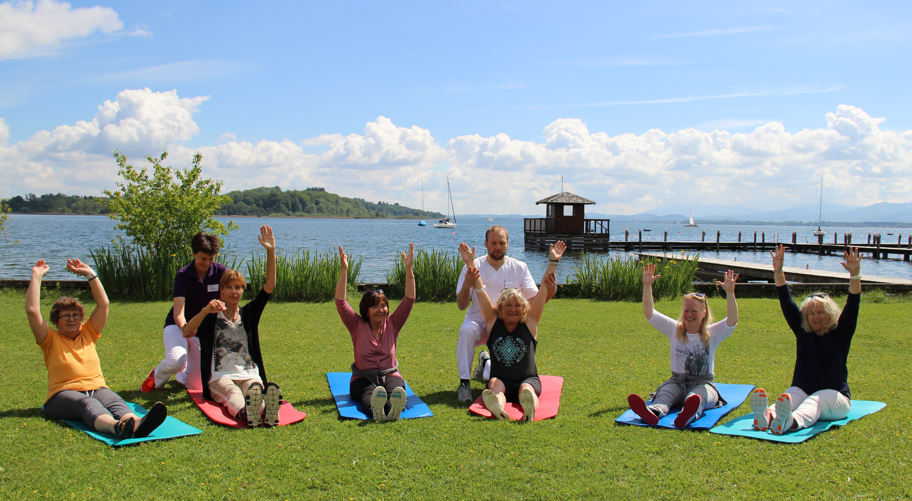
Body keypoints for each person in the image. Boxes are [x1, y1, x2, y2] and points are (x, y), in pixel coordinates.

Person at [26, 258, 167, 439]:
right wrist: (36, 277)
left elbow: (104, 304)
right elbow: (32, 311)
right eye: (66, 316)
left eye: (76, 315)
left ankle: (137, 423)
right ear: (56, 321)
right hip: (62, 395)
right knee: (87, 404)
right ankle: (117, 427)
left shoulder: (88, 333)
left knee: (115, 401)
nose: (71, 319)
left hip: (97, 388)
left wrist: (89, 274)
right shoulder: (49, 339)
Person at [750, 245, 861, 435]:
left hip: (835, 397)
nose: (816, 317)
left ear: (830, 314)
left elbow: (853, 304)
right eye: (811, 313)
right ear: (806, 317)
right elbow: (786, 301)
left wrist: (855, 275)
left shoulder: (841, 333)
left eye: (821, 312)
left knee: (813, 402)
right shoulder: (803, 332)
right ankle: (767, 416)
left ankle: (790, 422)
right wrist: (778, 271)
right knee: (788, 397)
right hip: (802, 389)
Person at [183, 225, 281, 427]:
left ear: (243, 290)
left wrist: (270, 251)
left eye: (238, 287)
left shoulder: (249, 314)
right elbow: (187, 331)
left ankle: (266, 410)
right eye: (228, 287)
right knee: (232, 392)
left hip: (248, 372)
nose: (233, 292)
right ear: (221, 292)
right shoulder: (211, 316)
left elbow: (269, 286)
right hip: (220, 377)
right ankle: (247, 413)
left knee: (254, 387)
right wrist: (204, 311)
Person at [458, 240, 564, 421]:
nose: (513, 309)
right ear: (499, 308)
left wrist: (553, 262)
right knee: (493, 384)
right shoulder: (492, 322)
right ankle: (498, 406)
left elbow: (544, 289)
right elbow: (480, 289)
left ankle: (529, 407)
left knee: (527, 391)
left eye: (517, 306)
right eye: (508, 305)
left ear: (524, 309)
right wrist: (470, 263)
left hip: (528, 380)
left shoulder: (530, 323)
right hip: (502, 381)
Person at [627, 264, 739, 428]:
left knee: (697, 398)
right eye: (686, 311)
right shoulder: (674, 329)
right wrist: (647, 285)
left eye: (694, 311)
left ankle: (689, 413)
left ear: (704, 313)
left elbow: (732, 320)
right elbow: (649, 313)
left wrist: (730, 292)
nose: (689, 315)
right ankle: (652, 412)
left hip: (703, 383)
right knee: (665, 396)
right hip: (677, 381)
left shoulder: (712, 333)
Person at [334, 243, 415, 421]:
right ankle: (375, 411)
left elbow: (409, 299)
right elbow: (340, 302)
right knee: (370, 393)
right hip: (363, 378)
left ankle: (392, 409)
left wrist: (409, 269)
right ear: (366, 310)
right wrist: (344, 270)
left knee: (395, 391)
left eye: (384, 306)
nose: (381, 310)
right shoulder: (356, 325)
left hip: (390, 374)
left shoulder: (393, 323)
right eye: (375, 307)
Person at [142, 231, 226, 392]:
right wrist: (185, 329)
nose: (207, 262)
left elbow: (226, 300)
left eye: (211, 258)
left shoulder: (220, 271)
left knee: (197, 385)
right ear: (193, 254)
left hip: (203, 330)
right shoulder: (183, 275)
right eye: (203, 258)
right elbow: (178, 312)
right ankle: (157, 375)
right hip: (178, 326)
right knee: (176, 361)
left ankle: (182, 373)